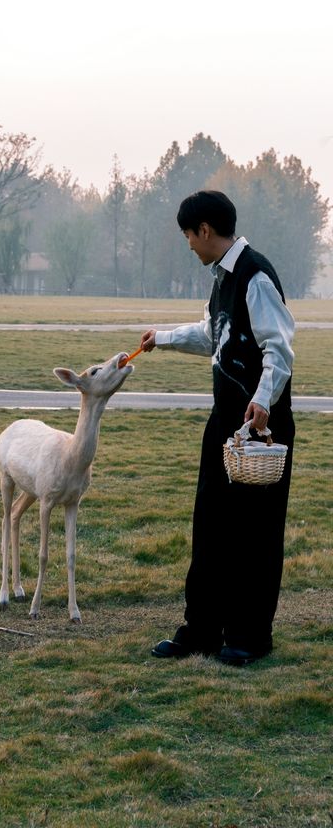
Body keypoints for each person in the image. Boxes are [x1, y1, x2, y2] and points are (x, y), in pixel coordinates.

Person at [141, 190, 295, 666]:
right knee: (210, 526)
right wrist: (161, 339)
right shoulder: (222, 278)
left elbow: (280, 347)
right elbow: (214, 332)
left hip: (260, 427)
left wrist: (262, 401)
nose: (188, 243)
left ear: (205, 230)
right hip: (223, 423)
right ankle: (203, 630)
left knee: (254, 534)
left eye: (189, 234)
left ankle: (249, 637)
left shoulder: (255, 275)